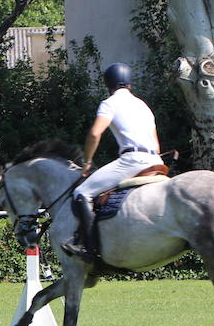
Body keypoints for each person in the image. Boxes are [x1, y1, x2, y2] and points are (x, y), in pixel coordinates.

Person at [61, 62, 162, 263]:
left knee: (82, 193)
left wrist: (87, 161)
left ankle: (90, 250)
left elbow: (95, 133)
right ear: (130, 85)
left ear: (109, 85)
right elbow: (157, 145)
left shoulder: (110, 103)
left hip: (133, 160)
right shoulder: (143, 106)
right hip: (156, 160)